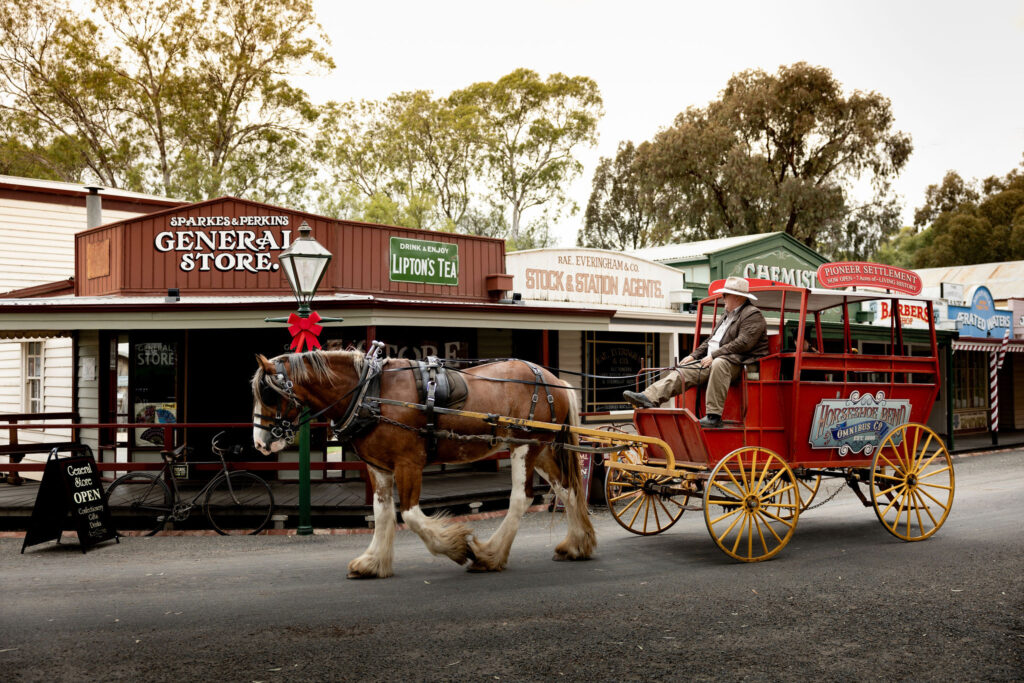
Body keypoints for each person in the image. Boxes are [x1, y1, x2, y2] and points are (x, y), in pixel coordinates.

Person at [623, 276, 769, 427]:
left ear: (738, 297)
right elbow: (711, 341)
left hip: (741, 363)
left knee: (719, 363)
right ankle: (649, 397)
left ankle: (714, 416)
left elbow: (743, 343)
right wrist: (694, 355)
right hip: (717, 360)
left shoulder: (752, 314)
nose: (722, 298)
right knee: (685, 370)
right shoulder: (726, 315)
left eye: (725, 294)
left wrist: (714, 355)